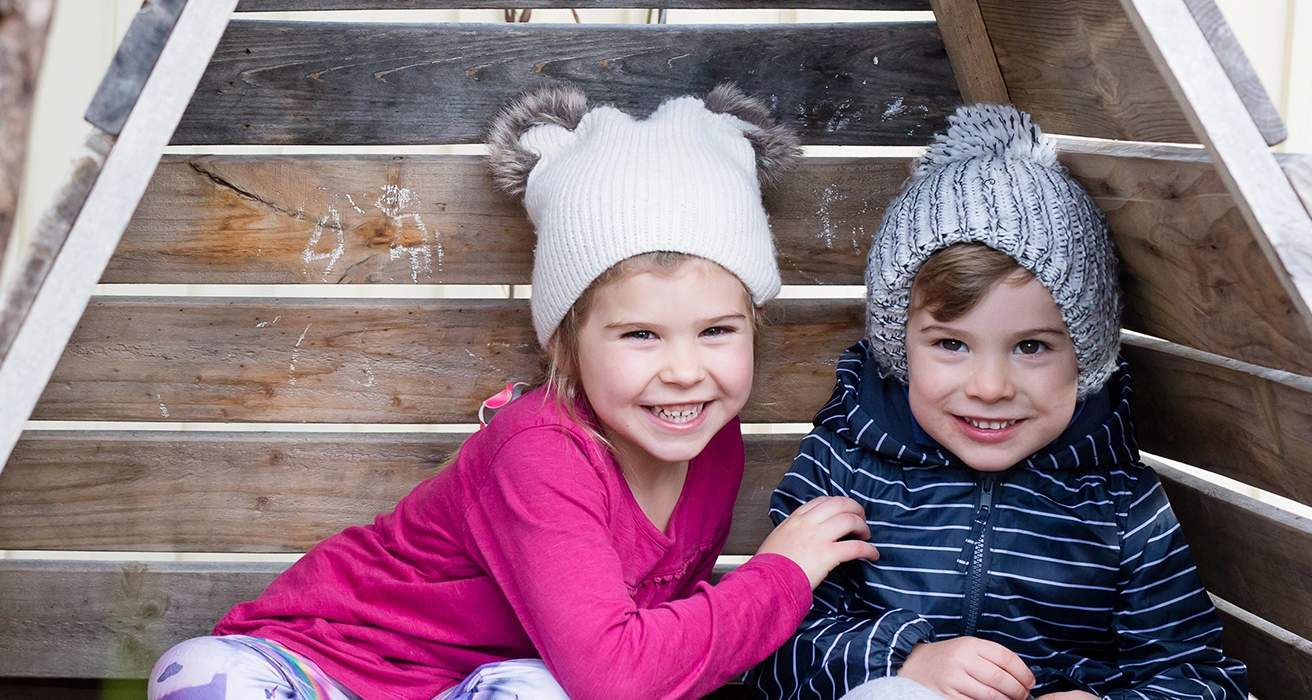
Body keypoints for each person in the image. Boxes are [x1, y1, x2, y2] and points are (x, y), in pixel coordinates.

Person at [147, 85, 879, 700]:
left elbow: (645, 656)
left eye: (716, 331)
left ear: (754, 325)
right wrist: (780, 576)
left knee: (539, 691)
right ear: (564, 344)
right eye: (640, 336)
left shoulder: (710, 442)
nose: (685, 370)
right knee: (204, 677)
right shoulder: (541, 453)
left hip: (487, 685)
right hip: (332, 669)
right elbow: (616, 672)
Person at [745, 105, 1248, 700]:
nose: (989, 387)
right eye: (952, 344)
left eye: (1031, 346)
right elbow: (768, 649)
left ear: (1084, 354)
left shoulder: (1120, 508)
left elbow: (1201, 677)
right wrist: (906, 662)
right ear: (900, 347)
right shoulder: (845, 469)